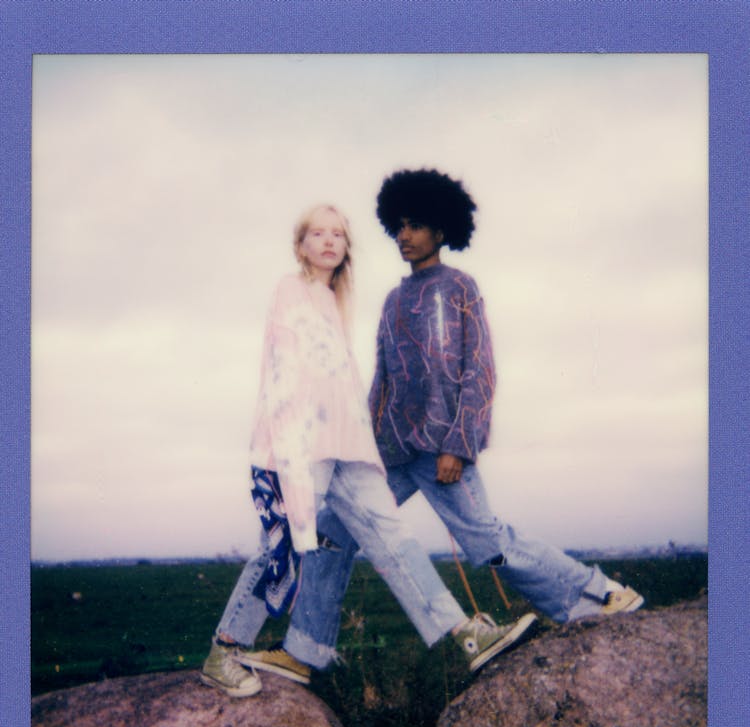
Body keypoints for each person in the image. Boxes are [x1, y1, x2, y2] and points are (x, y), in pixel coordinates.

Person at [238, 170, 644, 684]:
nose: (404, 236)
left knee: (488, 544)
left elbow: (480, 372)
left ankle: (599, 593)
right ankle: (305, 650)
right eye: (399, 227)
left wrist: (458, 444)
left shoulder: (460, 289)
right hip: (388, 456)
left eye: (416, 226)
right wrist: (358, 450)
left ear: (442, 230)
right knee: (331, 535)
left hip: (444, 454)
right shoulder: (391, 300)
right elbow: (379, 385)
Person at [200, 202, 536, 697]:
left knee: (393, 538)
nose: (330, 241)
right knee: (285, 546)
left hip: (349, 451)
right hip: (302, 447)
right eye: (318, 233)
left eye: (338, 234)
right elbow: (284, 376)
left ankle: (465, 634)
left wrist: (368, 446)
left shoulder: (335, 302)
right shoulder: (290, 291)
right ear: (301, 246)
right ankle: (223, 651)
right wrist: (287, 459)